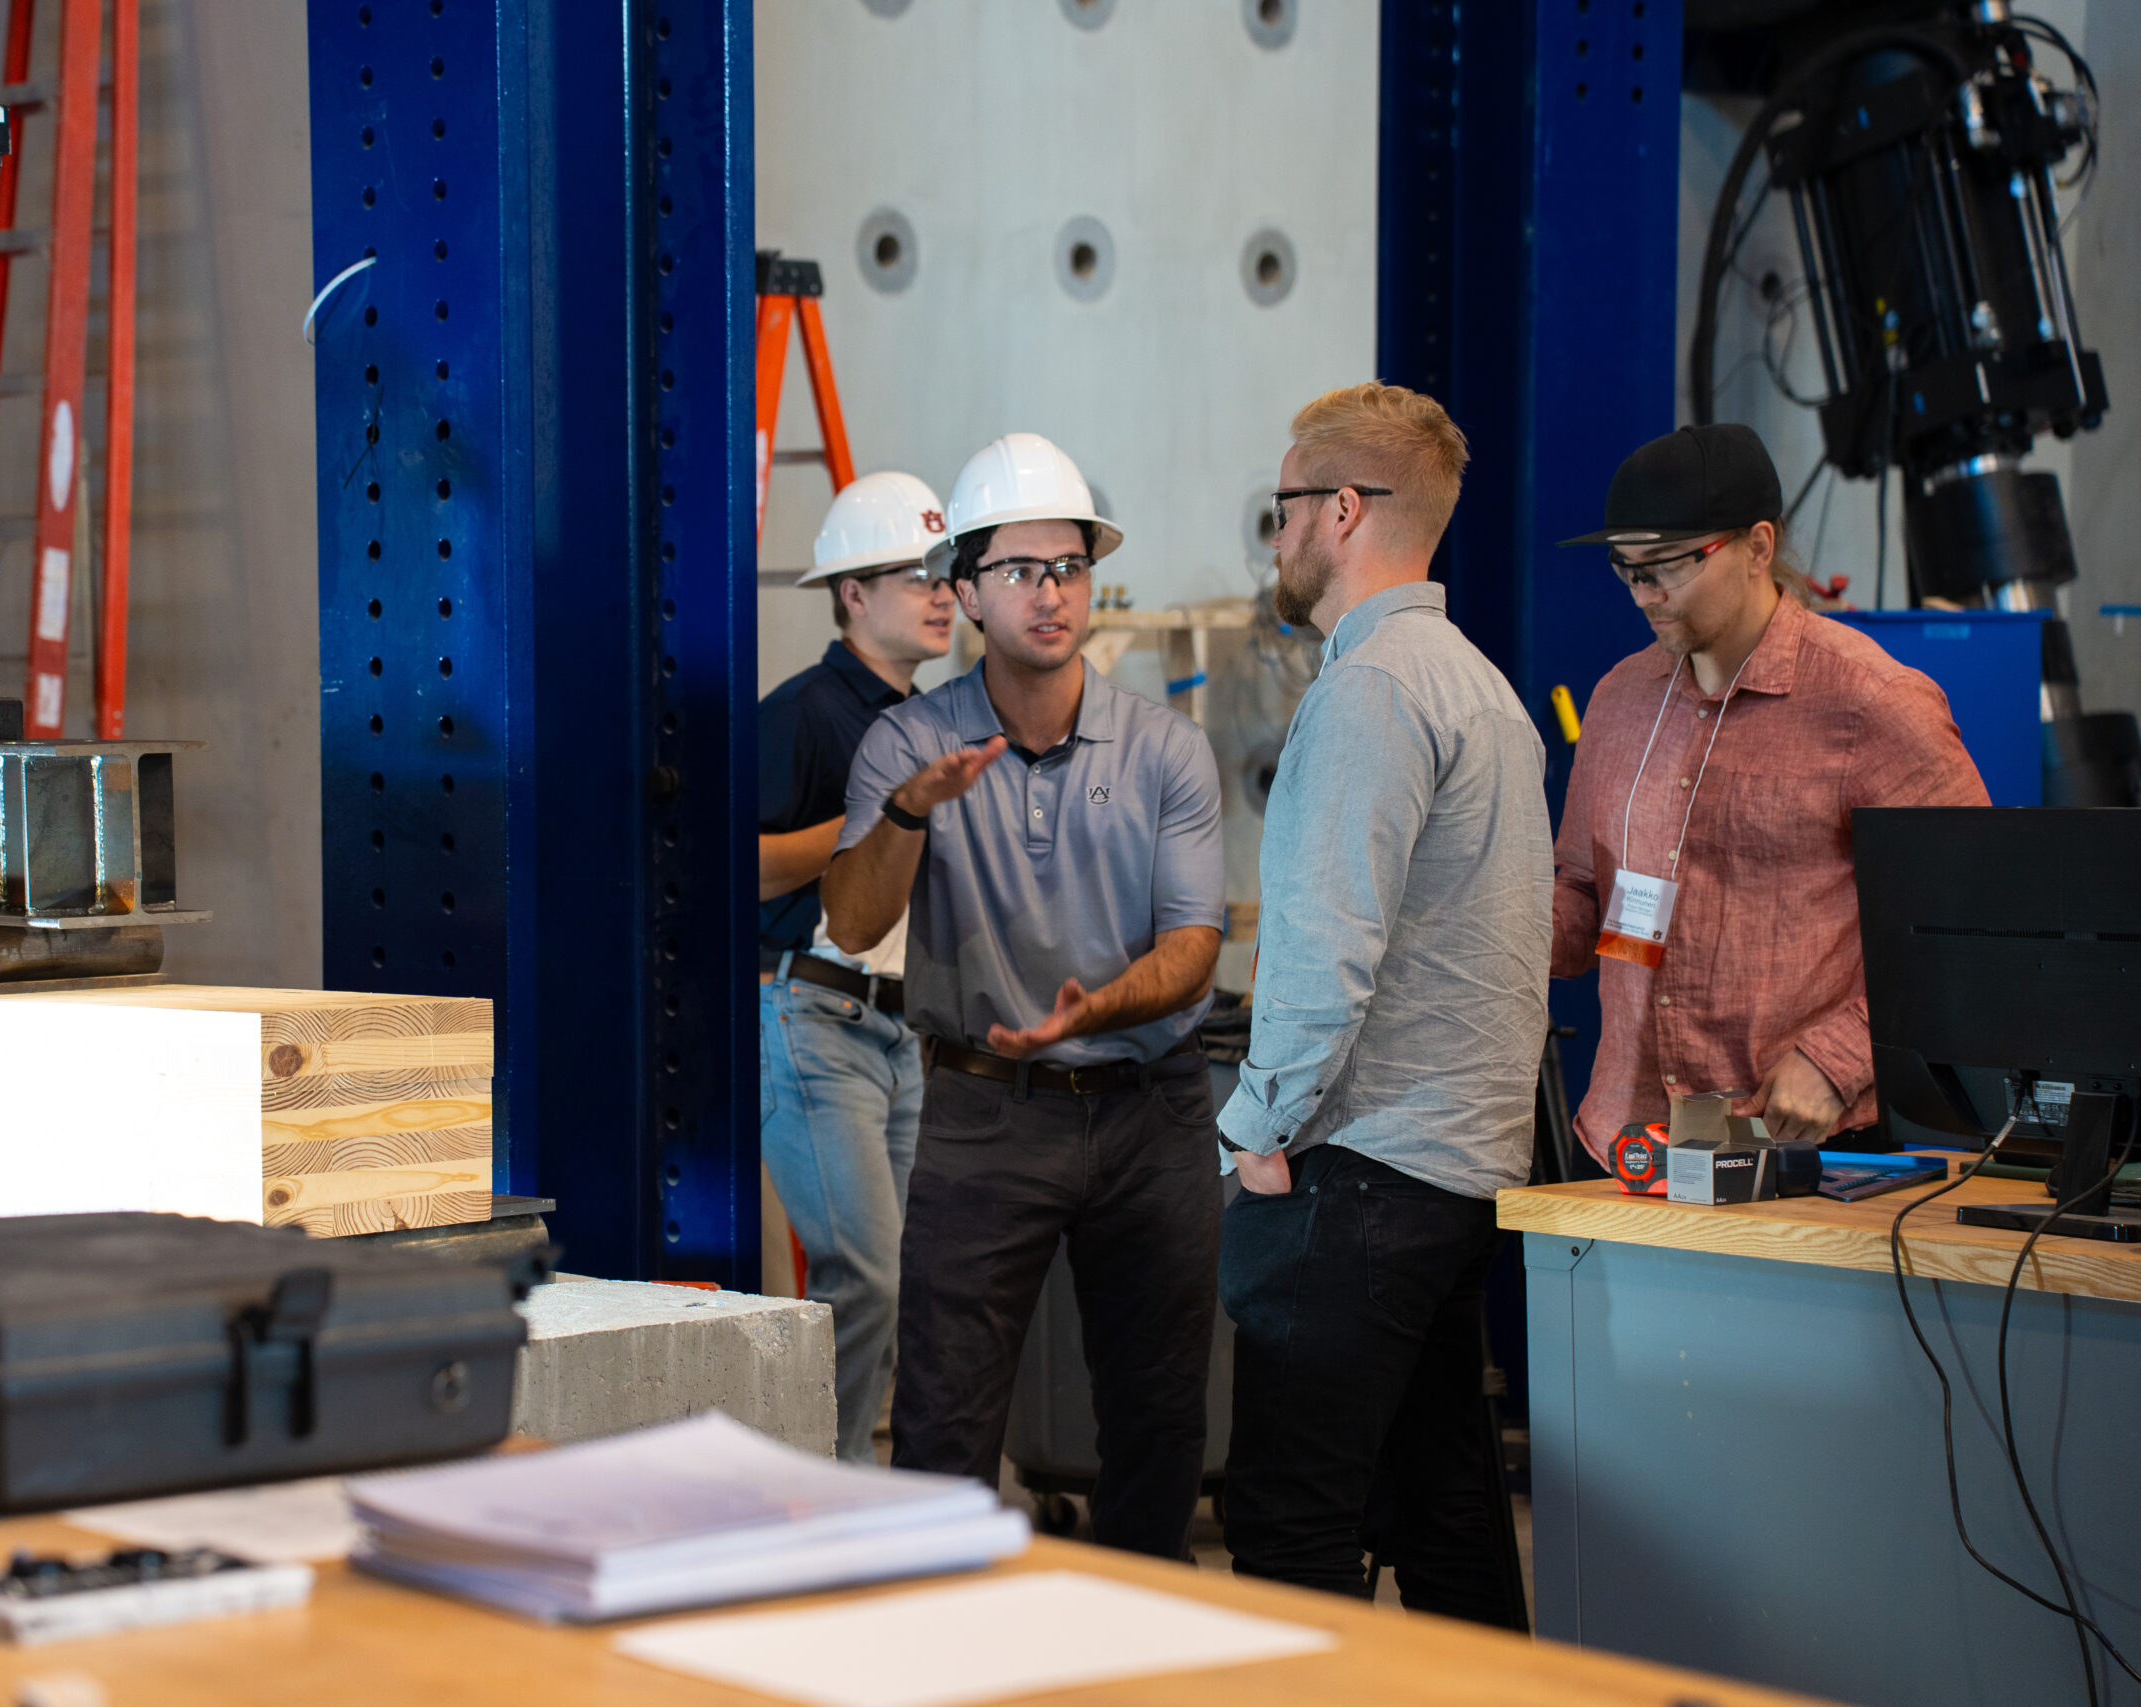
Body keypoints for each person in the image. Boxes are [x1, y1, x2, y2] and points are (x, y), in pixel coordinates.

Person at [819, 432, 1226, 1559]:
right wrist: (908, 812)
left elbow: (1194, 943)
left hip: (1153, 1109)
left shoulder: (1164, 750)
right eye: (1020, 572)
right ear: (966, 591)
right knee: (945, 1426)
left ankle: (1140, 1652)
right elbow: (853, 926)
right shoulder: (908, 741)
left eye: (1070, 568)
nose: (1051, 595)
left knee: (1155, 1422)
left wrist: (1090, 1013)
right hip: (984, 1114)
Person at [1216, 383, 1551, 1625]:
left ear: (1342, 510)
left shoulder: (1370, 691)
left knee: (1289, 1530)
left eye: (1284, 508)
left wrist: (1258, 1126)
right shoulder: (1479, 687)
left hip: (1355, 1176)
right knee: (1448, 1517)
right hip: (1452, 1174)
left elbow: (1326, 949)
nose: (1277, 538)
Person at [1553, 423, 1988, 1158]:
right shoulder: (1618, 700)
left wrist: (1839, 1058)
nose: (1644, 596)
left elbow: (1974, 917)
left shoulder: (1870, 701)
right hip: (1629, 1147)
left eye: (1668, 565)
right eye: (1627, 570)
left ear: (1758, 546)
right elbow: (1582, 897)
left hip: (1800, 1146)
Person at [756, 471, 956, 1463]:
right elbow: (733, 866)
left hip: (900, 1028)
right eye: (913, 575)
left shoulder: (925, 718)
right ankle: (819, 1489)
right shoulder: (804, 714)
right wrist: (874, 825)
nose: (941, 595)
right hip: (815, 1016)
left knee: (906, 1275)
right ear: (851, 595)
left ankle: (857, 1481)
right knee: (864, 1275)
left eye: (944, 575)